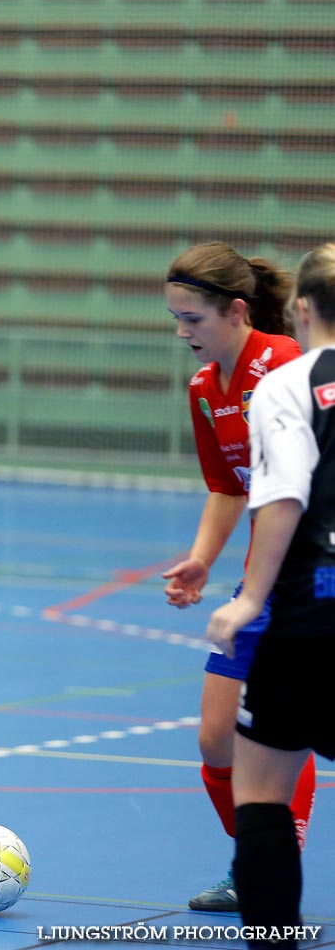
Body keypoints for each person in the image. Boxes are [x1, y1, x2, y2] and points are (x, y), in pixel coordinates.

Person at [158, 241, 316, 913]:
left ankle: (272, 861)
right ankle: (255, 861)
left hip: (307, 585)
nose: (181, 333)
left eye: (192, 319)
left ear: (236, 312)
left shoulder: (285, 366)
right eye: (176, 318)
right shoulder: (203, 391)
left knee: (282, 732)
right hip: (263, 583)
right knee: (215, 736)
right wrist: (201, 558)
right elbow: (228, 488)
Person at [206, 243, 335, 949]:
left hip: (311, 612)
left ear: (302, 312)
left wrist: (251, 597)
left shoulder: (287, 384)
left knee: (261, 790)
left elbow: (282, 495)